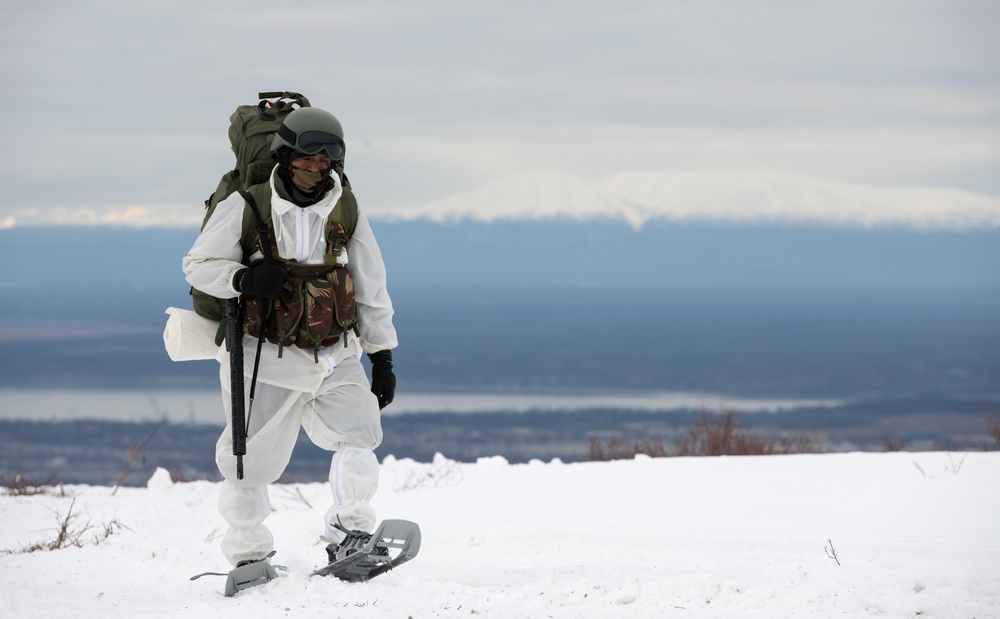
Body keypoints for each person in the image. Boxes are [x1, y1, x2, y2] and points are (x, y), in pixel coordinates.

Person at [183, 106, 397, 572]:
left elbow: (370, 284)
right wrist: (244, 279)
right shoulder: (247, 205)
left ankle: (351, 532)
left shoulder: (346, 207)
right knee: (249, 458)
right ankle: (247, 552)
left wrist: (382, 356)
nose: (315, 168)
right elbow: (198, 265)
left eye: (325, 161)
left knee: (359, 433)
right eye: (306, 158)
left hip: (335, 351)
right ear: (285, 155)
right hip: (263, 353)